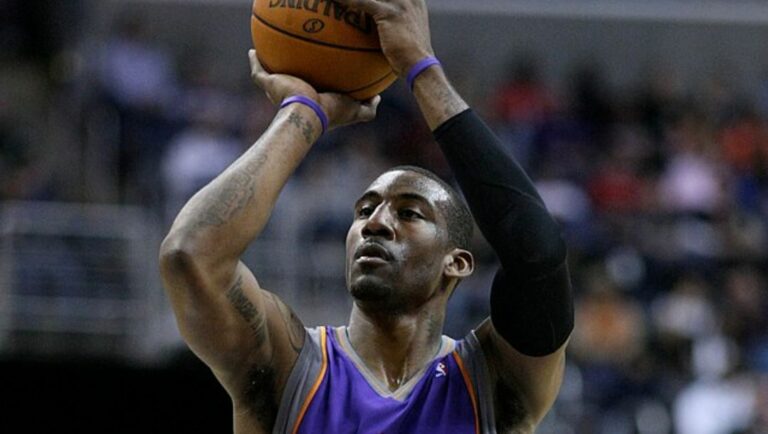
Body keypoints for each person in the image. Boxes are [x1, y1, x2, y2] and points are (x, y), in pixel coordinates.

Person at [159, 0, 574, 432]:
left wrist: (421, 67)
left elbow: (539, 254)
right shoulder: (287, 368)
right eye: (364, 210)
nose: (374, 223)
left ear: (457, 262)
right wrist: (304, 112)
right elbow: (190, 254)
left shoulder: (493, 381)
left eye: (409, 212)